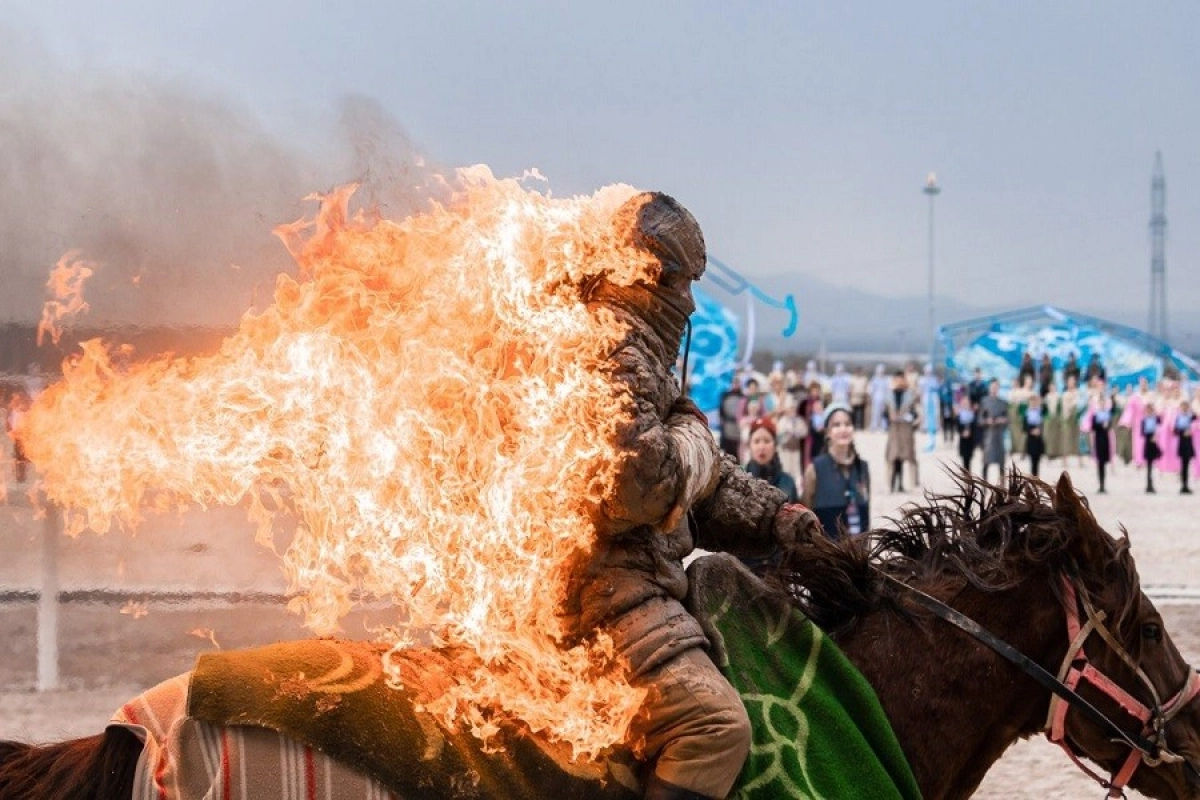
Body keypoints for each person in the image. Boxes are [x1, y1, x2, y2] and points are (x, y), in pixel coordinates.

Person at [562, 192, 822, 800]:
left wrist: (776, 516)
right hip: (600, 593)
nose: (690, 301)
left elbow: (702, 476)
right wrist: (693, 435)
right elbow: (644, 484)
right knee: (716, 728)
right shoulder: (611, 349)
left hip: (628, 583)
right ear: (649, 278)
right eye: (682, 282)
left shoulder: (637, 348)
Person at [801, 403, 870, 540]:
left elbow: (866, 516)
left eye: (847, 424)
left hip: (857, 554)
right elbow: (805, 516)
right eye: (836, 425)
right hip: (827, 553)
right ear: (827, 432)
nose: (843, 429)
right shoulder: (815, 469)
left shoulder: (862, 467)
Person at [744, 416, 799, 504]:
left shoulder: (787, 482)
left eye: (767, 441)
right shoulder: (740, 481)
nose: (761, 447)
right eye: (756, 441)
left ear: (775, 445)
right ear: (749, 446)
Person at [883, 371, 919, 492]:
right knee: (893, 458)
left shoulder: (910, 395)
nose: (899, 382)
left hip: (906, 430)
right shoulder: (889, 396)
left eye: (901, 379)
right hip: (894, 430)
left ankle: (910, 485)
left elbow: (916, 414)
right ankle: (892, 484)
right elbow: (884, 414)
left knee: (908, 457)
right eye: (897, 379)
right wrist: (889, 417)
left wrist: (908, 417)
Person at [1081, 378, 1115, 494]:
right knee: (1099, 460)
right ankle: (1101, 483)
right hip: (1098, 436)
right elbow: (1092, 421)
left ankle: (1103, 483)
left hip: (1106, 436)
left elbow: (1111, 419)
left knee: (1105, 459)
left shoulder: (1107, 404)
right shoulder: (1093, 402)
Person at [979, 379, 1009, 484]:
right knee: (986, 462)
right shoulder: (984, 401)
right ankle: (984, 484)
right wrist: (987, 421)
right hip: (989, 436)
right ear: (989, 388)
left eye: (996, 387)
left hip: (999, 436)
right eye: (992, 387)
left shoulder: (1003, 402)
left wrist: (1002, 420)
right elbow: (979, 419)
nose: (994, 389)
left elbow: (1008, 419)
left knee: (1001, 463)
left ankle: (1002, 486)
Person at [716, 373, 744, 459]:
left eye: (737, 383)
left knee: (738, 450)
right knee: (727, 451)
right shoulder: (725, 396)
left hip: (739, 426)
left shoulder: (743, 397)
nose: (736, 385)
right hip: (727, 425)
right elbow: (721, 410)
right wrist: (722, 421)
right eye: (734, 383)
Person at [1023, 393, 1046, 478]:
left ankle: (1037, 478)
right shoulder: (1027, 414)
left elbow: (1042, 424)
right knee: (1032, 461)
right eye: (1032, 402)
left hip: (1038, 440)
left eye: (1035, 402)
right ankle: (1033, 478)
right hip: (1031, 440)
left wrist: (1039, 430)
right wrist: (1032, 431)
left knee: (1038, 461)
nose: (1033, 404)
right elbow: (1024, 428)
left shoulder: (1040, 413)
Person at [1141, 402, 1162, 493]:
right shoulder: (1144, 420)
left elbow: (1160, 425)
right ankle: (1149, 484)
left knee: (1152, 464)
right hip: (1148, 441)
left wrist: (1155, 435)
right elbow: (1142, 432)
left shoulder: (1156, 419)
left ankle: (1151, 484)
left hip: (1154, 441)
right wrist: (1149, 435)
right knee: (1149, 465)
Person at [1176, 399, 1195, 494]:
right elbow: (1176, 430)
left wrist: (1190, 430)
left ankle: (1186, 485)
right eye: (1183, 407)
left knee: (1187, 465)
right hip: (1182, 442)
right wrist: (1183, 432)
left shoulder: (1190, 417)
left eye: (1186, 407)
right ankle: (1183, 485)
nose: (1184, 409)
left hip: (1188, 443)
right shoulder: (1179, 418)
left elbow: (1195, 422)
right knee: (1183, 465)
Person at [955, 393, 977, 472]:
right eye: (964, 403)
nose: (965, 404)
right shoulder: (959, 415)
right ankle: (966, 477)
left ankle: (969, 477)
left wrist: (970, 432)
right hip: (963, 440)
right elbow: (957, 427)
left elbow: (974, 426)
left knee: (969, 460)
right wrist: (962, 432)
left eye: (967, 402)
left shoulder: (972, 414)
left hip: (970, 440)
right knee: (964, 460)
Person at [868, 364, 890, 432]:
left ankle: (883, 427)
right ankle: (874, 426)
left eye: (882, 371)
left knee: (883, 413)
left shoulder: (886, 379)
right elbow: (870, 390)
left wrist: (888, 399)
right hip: (876, 398)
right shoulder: (874, 379)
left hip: (884, 398)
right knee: (875, 413)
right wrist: (871, 397)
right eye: (879, 371)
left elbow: (888, 390)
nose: (881, 372)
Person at [849, 366, 869, 430]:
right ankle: (854, 425)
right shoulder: (852, 379)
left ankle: (861, 426)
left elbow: (866, 389)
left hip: (862, 398)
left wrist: (866, 398)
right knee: (854, 413)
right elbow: (850, 389)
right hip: (854, 399)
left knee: (861, 413)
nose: (858, 373)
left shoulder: (864, 379)